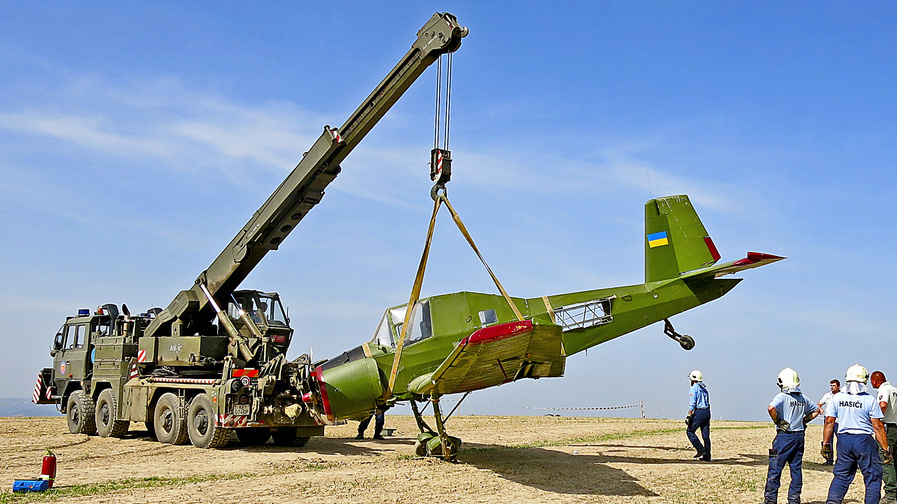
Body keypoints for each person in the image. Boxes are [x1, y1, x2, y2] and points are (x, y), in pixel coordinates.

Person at [822, 364, 892, 504]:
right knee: (872, 477)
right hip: (864, 440)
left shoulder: (838, 398)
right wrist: (885, 449)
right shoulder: (869, 399)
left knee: (841, 476)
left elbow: (829, 421)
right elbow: (877, 427)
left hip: (844, 440)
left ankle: (832, 502)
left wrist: (825, 444)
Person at [763, 367, 820, 504]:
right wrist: (804, 420)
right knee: (796, 469)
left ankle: (770, 500)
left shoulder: (782, 397)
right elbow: (817, 411)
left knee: (775, 469)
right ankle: (794, 499)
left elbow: (771, 408)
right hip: (799, 437)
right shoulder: (802, 398)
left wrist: (777, 421)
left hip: (784, 436)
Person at [871, 371, 897, 504]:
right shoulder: (894, 389)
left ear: (875, 381)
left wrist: (877, 419)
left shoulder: (884, 390)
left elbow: (883, 404)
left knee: (886, 460)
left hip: (886, 429)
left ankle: (891, 494)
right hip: (895, 427)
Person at [686, 369, 711, 461]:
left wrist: (689, 415)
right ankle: (707, 456)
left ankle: (700, 449)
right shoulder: (704, 388)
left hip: (699, 411)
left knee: (690, 431)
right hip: (707, 411)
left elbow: (692, 403)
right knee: (706, 435)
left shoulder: (694, 388)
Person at [818, 379, 841, 465]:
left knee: (840, 441)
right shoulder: (827, 395)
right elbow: (819, 404)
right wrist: (820, 408)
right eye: (831, 385)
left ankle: (839, 460)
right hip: (828, 420)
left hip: (838, 421)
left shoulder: (842, 395)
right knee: (828, 440)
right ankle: (829, 460)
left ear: (838, 386)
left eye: (834, 385)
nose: (832, 387)